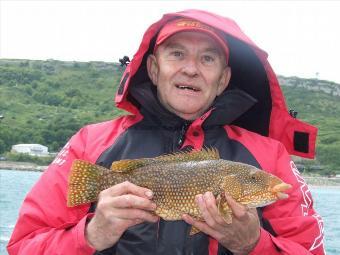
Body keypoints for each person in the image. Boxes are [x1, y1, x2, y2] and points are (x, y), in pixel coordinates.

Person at [7, 9, 325, 255]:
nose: (191, 68)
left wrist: (253, 244)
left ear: (224, 79)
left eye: (208, 58)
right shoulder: (91, 143)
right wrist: (91, 235)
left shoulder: (270, 156)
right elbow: (22, 246)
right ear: (154, 70)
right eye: (177, 54)